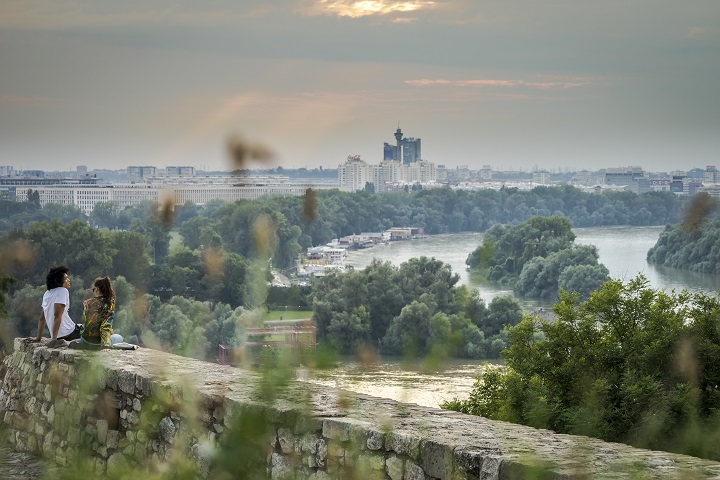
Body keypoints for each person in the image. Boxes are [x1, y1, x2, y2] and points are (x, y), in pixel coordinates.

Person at [28, 265, 81, 347]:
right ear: (59, 281)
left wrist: (38, 337)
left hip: (60, 336)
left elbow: (42, 317)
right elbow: (57, 315)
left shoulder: (47, 293)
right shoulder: (63, 291)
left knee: (80, 326)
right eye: (66, 278)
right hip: (69, 333)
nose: (69, 280)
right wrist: (53, 339)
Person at [70, 276, 122, 349]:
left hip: (86, 340)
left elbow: (89, 323)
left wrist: (82, 327)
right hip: (98, 343)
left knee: (82, 340)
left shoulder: (87, 303)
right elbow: (105, 326)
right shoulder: (109, 304)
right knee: (119, 337)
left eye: (93, 289)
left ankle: (74, 342)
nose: (93, 291)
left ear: (97, 289)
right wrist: (105, 345)